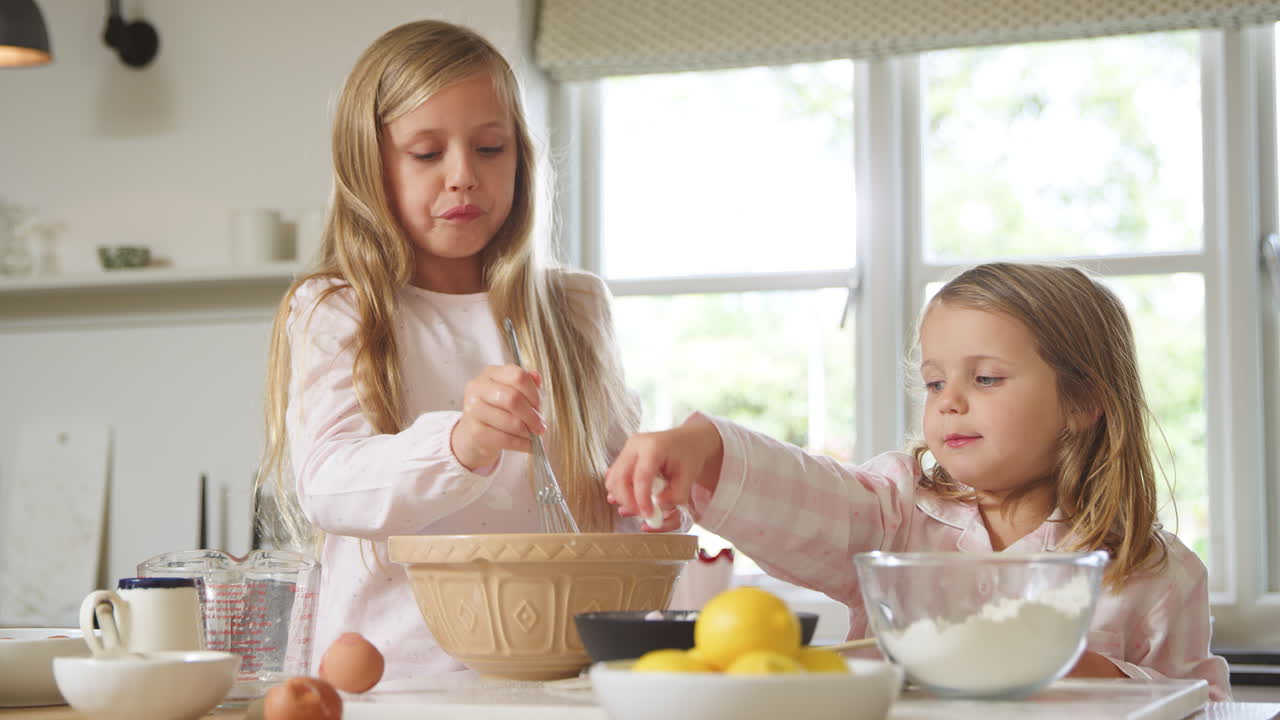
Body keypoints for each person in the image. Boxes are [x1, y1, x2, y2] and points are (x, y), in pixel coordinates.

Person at [255, 19, 685, 682]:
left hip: (560, 672)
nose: (463, 176)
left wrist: (651, 493)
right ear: (369, 166)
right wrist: (460, 443)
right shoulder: (339, 308)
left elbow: (612, 500)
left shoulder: (574, 306)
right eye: (426, 154)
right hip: (392, 680)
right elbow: (331, 484)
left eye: (490, 147)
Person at [604, 262, 1230, 700]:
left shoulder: (1159, 573)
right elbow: (807, 495)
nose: (950, 402)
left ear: (1082, 401)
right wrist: (708, 450)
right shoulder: (896, 509)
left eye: (985, 379)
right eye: (935, 382)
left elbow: (1202, 703)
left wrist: (1093, 673)